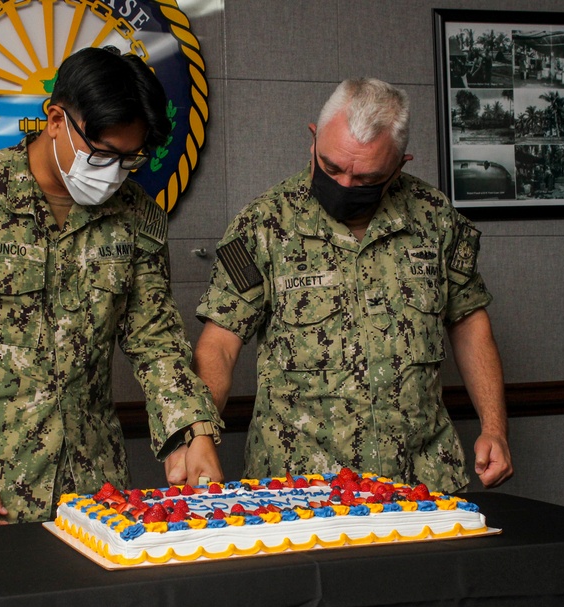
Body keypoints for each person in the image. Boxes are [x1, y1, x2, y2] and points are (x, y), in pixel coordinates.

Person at [0, 47, 223, 529]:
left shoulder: (136, 217)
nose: (113, 174)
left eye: (129, 160)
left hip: (95, 491)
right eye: (101, 154)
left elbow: (156, 342)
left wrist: (192, 429)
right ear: (56, 119)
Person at [192, 78, 513, 493]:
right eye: (332, 167)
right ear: (313, 138)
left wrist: (495, 428)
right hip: (300, 488)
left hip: (422, 483)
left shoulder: (434, 219)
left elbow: (468, 323)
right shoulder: (264, 226)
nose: (344, 186)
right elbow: (219, 343)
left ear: (400, 165)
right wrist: (199, 433)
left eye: (365, 179)